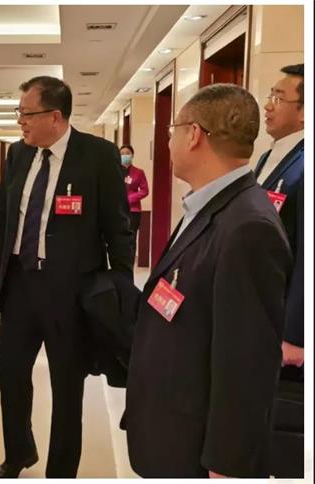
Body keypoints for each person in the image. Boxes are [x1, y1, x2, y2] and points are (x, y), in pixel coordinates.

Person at [125, 84, 292, 478]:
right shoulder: (208, 205)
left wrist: (227, 463)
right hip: (172, 424)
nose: (169, 142)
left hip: (196, 448)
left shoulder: (248, 226)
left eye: (173, 131)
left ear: (194, 135)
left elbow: (248, 360)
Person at [0, 76, 133, 478]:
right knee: (10, 372)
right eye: (18, 113)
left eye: (26, 113)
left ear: (55, 116)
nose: (20, 121)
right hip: (19, 285)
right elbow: (4, 217)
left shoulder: (98, 155)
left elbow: (118, 227)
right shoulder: (18, 154)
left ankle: (61, 471)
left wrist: (119, 288)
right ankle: (19, 452)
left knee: (67, 386)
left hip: (71, 291)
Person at [254, 63, 304, 477]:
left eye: (278, 98)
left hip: (286, 321)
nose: (267, 106)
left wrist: (296, 333)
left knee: (286, 430)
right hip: (261, 312)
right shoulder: (272, 156)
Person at [119, 144, 149, 258]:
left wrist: (130, 199)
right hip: (118, 209)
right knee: (118, 237)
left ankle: (130, 261)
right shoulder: (115, 171)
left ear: (132, 155)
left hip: (133, 210)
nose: (125, 155)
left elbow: (145, 190)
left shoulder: (138, 172)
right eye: (122, 154)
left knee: (131, 238)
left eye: (127, 153)